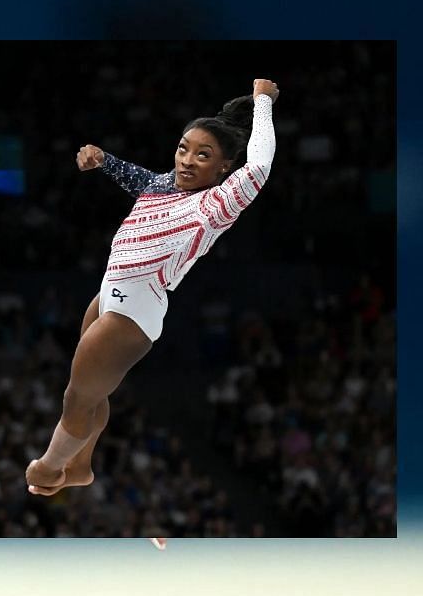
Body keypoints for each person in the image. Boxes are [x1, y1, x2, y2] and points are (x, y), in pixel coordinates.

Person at [25, 79, 278, 506]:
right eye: (184, 148)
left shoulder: (216, 204)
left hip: (135, 310)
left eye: (204, 156)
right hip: (108, 292)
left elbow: (258, 168)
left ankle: (50, 466)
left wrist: (263, 103)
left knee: (77, 396)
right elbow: (137, 177)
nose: (188, 161)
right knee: (92, 393)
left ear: (223, 168)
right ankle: (81, 464)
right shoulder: (164, 185)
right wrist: (103, 160)